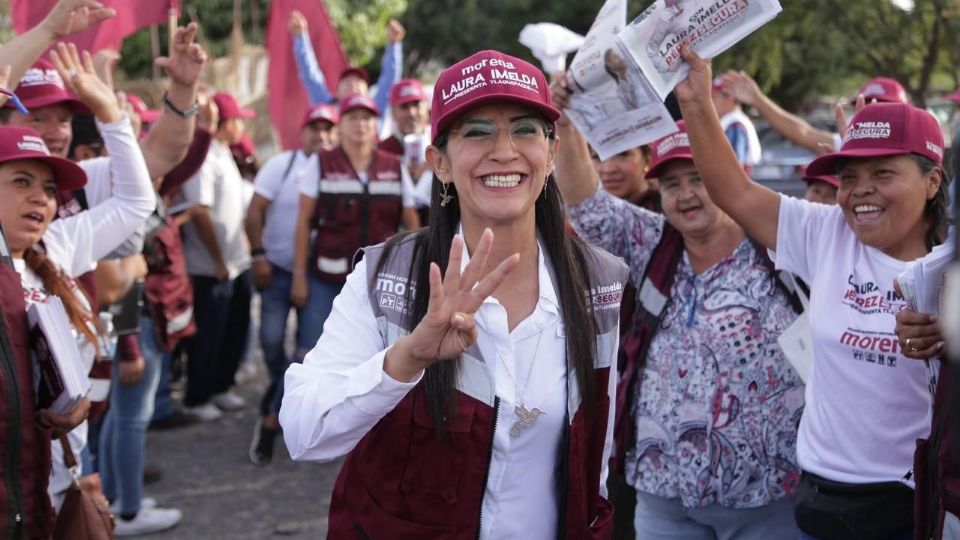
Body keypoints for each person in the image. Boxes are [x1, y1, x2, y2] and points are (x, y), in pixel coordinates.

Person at [281, 49, 628, 538]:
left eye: (526, 129)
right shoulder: (387, 276)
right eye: (477, 131)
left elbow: (597, 463)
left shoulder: (601, 283)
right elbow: (302, 429)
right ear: (439, 162)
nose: (504, 150)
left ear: (551, 153)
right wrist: (406, 358)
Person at [675, 45, 950, 540]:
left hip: (908, 507)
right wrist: (696, 103)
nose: (859, 191)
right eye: (848, 178)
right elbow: (733, 191)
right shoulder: (827, 234)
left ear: (932, 181)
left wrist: (946, 339)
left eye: (882, 174)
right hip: (818, 501)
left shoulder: (951, 270)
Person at [552, 70, 804, 538]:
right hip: (664, 495)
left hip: (768, 494)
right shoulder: (654, 243)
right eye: (671, 184)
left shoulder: (778, 243)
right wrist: (566, 125)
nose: (686, 194)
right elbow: (586, 204)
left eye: (699, 179)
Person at [244, 102, 338, 465]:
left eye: (328, 129)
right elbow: (254, 211)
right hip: (278, 270)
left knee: (307, 350)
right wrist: (257, 255)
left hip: (320, 277)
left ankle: (276, 409)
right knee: (269, 340)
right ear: (303, 133)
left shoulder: (338, 170)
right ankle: (280, 388)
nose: (322, 135)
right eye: (314, 128)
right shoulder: (281, 165)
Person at [290, 93, 419, 346]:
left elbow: (411, 223)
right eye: (353, 118)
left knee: (375, 353)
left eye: (366, 118)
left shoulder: (394, 166)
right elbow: (303, 221)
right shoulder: (321, 163)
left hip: (378, 280)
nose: (360, 124)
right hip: (326, 278)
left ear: (375, 125)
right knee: (312, 348)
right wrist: (299, 275)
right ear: (341, 124)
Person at [173, 91, 254, 423]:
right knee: (208, 334)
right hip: (210, 267)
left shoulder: (225, 154)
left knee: (234, 327)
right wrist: (218, 259)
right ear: (225, 122)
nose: (240, 128)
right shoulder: (204, 157)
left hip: (237, 262)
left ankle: (221, 386)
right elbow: (200, 212)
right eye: (237, 120)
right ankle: (198, 395)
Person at [718, 70, 909, 156]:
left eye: (882, 106)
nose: (871, 115)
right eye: (864, 106)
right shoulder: (849, 145)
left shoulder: (917, 154)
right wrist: (758, 100)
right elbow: (803, 133)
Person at [288, 10, 403, 122]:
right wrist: (300, 37)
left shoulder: (376, 107)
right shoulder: (327, 109)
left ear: (367, 91)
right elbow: (310, 76)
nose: (353, 85)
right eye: (347, 82)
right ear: (336, 93)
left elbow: (390, 78)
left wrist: (394, 45)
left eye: (358, 81)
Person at [379, 78, 432, 224]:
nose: (412, 113)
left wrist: (440, 166)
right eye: (404, 107)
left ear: (426, 108)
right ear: (393, 113)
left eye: (416, 105)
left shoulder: (441, 143)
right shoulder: (382, 150)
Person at [590, 144, 660, 211]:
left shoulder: (667, 213)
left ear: (648, 159)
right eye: (597, 157)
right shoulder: (585, 215)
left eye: (623, 154)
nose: (609, 169)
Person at [712, 77, 762, 170]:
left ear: (730, 98)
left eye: (714, 97)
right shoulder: (735, 120)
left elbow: (735, 167)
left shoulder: (735, 124)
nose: (711, 102)